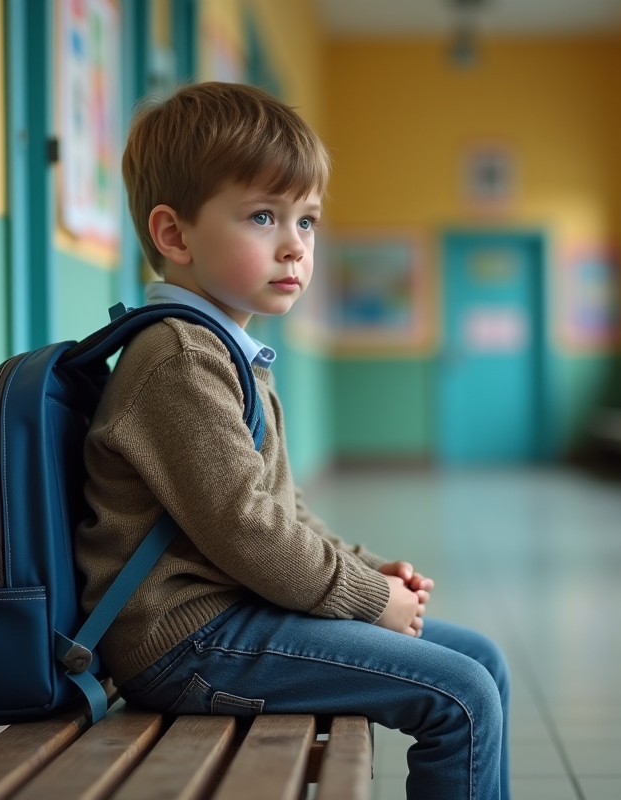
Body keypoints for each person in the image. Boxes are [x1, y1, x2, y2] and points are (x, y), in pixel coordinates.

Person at [75, 82, 510, 800]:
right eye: (262, 216)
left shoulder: (223, 348)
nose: (294, 248)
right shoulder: (182, 359)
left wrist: (369, 568)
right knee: (459, 695)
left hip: (232, 615)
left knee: (481, 660)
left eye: (306, 221)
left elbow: (283, 510)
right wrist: (370, 601)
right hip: (188, 644)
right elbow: (251, 533)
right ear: (174, 235)